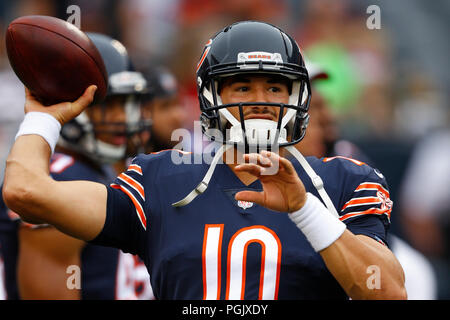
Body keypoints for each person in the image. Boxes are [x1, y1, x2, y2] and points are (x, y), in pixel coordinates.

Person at [2, 21, 406, 300]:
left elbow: (387, 290)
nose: (260, 99)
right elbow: (25, 191)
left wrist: (305, 210)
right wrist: (42, 117)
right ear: (211, 97)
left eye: (275, 86)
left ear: (296, 97)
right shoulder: (158, 180)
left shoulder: (344, 180)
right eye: (242, 86)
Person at [0, 33, 153, 300]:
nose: (120, 118)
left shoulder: (122, 169)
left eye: (126, 104)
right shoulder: (58, 179)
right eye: (105, 105)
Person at [298, 59, 437, 300]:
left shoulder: (346, 156)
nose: (326, 119)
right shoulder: (219, 161)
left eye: (322, 105)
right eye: (311, 106)